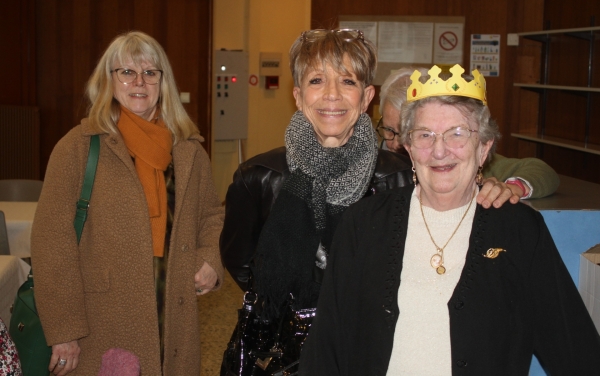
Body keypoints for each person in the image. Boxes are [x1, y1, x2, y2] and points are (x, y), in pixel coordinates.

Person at [220, 31, 518, 374]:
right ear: (299, 96)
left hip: (373, 349)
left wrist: (499, 185)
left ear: (366, 98)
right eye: (317, 80)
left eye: (347, 81)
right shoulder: (257, 178)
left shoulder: (402, 178)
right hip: (277, 356)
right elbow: (241, 263)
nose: (332, 94)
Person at [299, 65, 600, 375]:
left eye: (457, 134)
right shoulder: (363, 224)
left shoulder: (518, 230)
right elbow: (325, 348)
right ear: (410, 149)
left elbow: (575, 352)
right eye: (425, 135)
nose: (439, 150)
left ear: (484, 149)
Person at [31, 31, 224, 375]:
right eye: (127, 72)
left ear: (163, 82)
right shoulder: (77, 148)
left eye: (150, 73)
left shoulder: (189, 149)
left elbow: (211, 215)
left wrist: (210, 257)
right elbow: (52, 244)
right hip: (102, 318)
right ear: (109, 80)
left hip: (174, 310)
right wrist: (64, 330)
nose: (139, 82)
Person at [377, 67, 560, 204]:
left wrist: (513, 187)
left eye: (422, 133)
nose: (396, 143)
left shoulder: (468, 161)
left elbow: (540, 170)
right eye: (389, 130)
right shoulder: (371, 164)